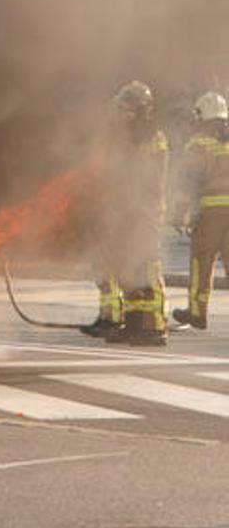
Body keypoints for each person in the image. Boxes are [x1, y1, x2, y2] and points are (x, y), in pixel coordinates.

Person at [99, 81, 169, 345]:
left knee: (147, 269)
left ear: (141, 108)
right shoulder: (122, 137)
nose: (123, 112)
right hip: (123, 212)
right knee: (126, 269)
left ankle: (155, 328)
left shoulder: (153, 137)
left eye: (127, 106)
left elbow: (150, 176)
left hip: (144, 213)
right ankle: (134, 324)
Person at [170, 91, 229, 330]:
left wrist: (179, 213)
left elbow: (189, 182)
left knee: (201, 264)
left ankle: (197, 312)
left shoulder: (198, 144)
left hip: (209, 214)